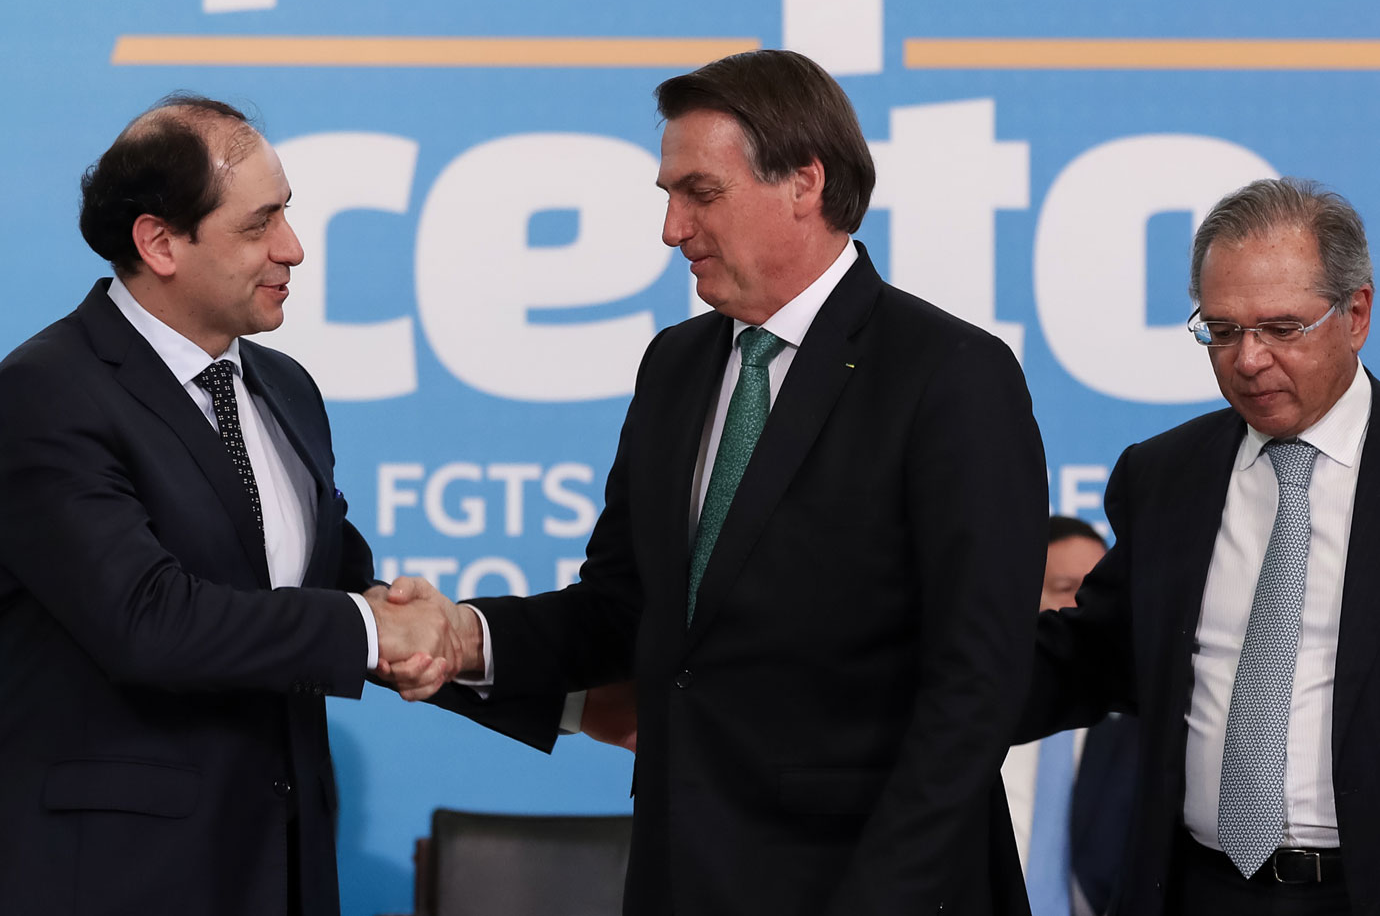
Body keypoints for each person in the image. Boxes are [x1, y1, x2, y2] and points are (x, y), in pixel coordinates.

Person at [391, 49, 1049, 915]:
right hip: (683, 874)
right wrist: (467, 637)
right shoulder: (676, 365)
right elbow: (623, 608)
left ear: (804, 183)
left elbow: (975, 684)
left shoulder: (949, 373)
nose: (672, 229)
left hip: (866, 883)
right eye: (669, 195)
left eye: (700, 193)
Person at [0, 95, 492, 916]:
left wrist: (473, 652)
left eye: (286, 213)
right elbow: (148, 622)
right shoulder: (46, 393)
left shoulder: (284, 388)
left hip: (283, 872)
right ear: (160, 242)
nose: (293, 248)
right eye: (260, 224)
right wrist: (371, 628)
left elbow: (336, 591)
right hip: (119, 882)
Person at [1021, 177, 1376, 914]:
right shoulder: (1165, 475)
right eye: (1222, 330)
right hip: (1194, 888)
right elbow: (1095, 656)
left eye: (1281, 329)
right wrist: (916, 671)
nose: (1248, 360)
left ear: (1355, 315)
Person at [1004, 517, 1137, 916]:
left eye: (1099, 595)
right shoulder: (979, 719)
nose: (1085, 611)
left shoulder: (1144, 729)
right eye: (1066, 590)